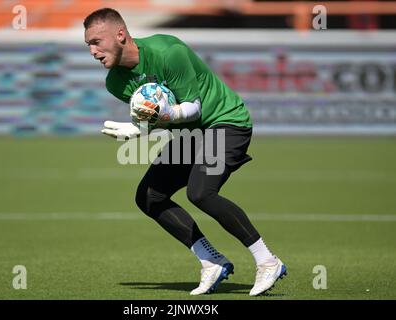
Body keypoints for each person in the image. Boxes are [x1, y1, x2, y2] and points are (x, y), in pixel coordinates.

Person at [84, 8, 287, 296]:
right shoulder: (115, 82)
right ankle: (211, 261)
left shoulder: (169, 51)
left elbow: (193, 108)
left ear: (120, 35)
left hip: (225, 121)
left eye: (96, 42)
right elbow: (159, 115)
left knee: (201, 192)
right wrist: (140, 128)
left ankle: (268, 261)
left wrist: (146, 126)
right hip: (190, 132)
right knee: (149, 196)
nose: (92, 51)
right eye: (88, 45)